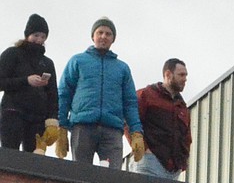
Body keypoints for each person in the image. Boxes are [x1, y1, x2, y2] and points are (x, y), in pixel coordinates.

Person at [55, 18, 144, 167]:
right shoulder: (77, 61)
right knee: (79, 175)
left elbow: (130, 102)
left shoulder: (122, 68)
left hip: (112, 129)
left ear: (113, 39)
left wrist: (136, 131)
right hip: (82, 126)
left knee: (112, 177)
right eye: (100, 32)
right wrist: (61, 125)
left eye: (108, 34)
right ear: (93, 36)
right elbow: (64, 94)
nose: (103, 36)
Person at [0, 14, 58, 153]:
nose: (39, 40)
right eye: (36, 35)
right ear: (28, 34)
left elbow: (53, 94)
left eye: (43, 37)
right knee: (10, 155)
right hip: (13, 112)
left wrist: (52, 120)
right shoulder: (12, 54)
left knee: (34, 159)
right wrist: (26, 80)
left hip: (37, 118)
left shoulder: (47, 63)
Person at [132, 58, 191, 178]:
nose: (185, 79)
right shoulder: (146, 95)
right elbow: (129, 122)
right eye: (181, 75)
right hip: (149, 162)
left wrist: (183, 162)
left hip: (173, 170)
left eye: (186, 75)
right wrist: (141, 150)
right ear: (168, 74)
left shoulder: (182, 106)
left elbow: (186, 137)